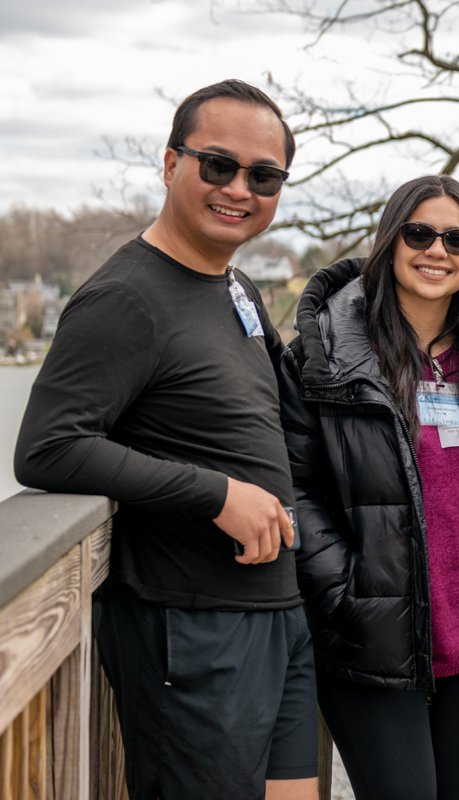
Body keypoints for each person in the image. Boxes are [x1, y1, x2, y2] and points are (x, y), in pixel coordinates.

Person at [14, 80, 316, 800]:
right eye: (218, 165)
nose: (239, 188)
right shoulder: (125, 298)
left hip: (276, 613)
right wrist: (214, 493)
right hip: (193, 630)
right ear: (171, 163)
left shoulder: (234, 286)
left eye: (263, 176)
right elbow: (48, 447)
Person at [277, 175, 459, 799]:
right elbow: (293, 484)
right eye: (419, 233)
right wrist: (345, 590)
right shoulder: (326, 357)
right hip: (372, 637)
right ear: (391, 241)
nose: (437, 251)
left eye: (457, 238)